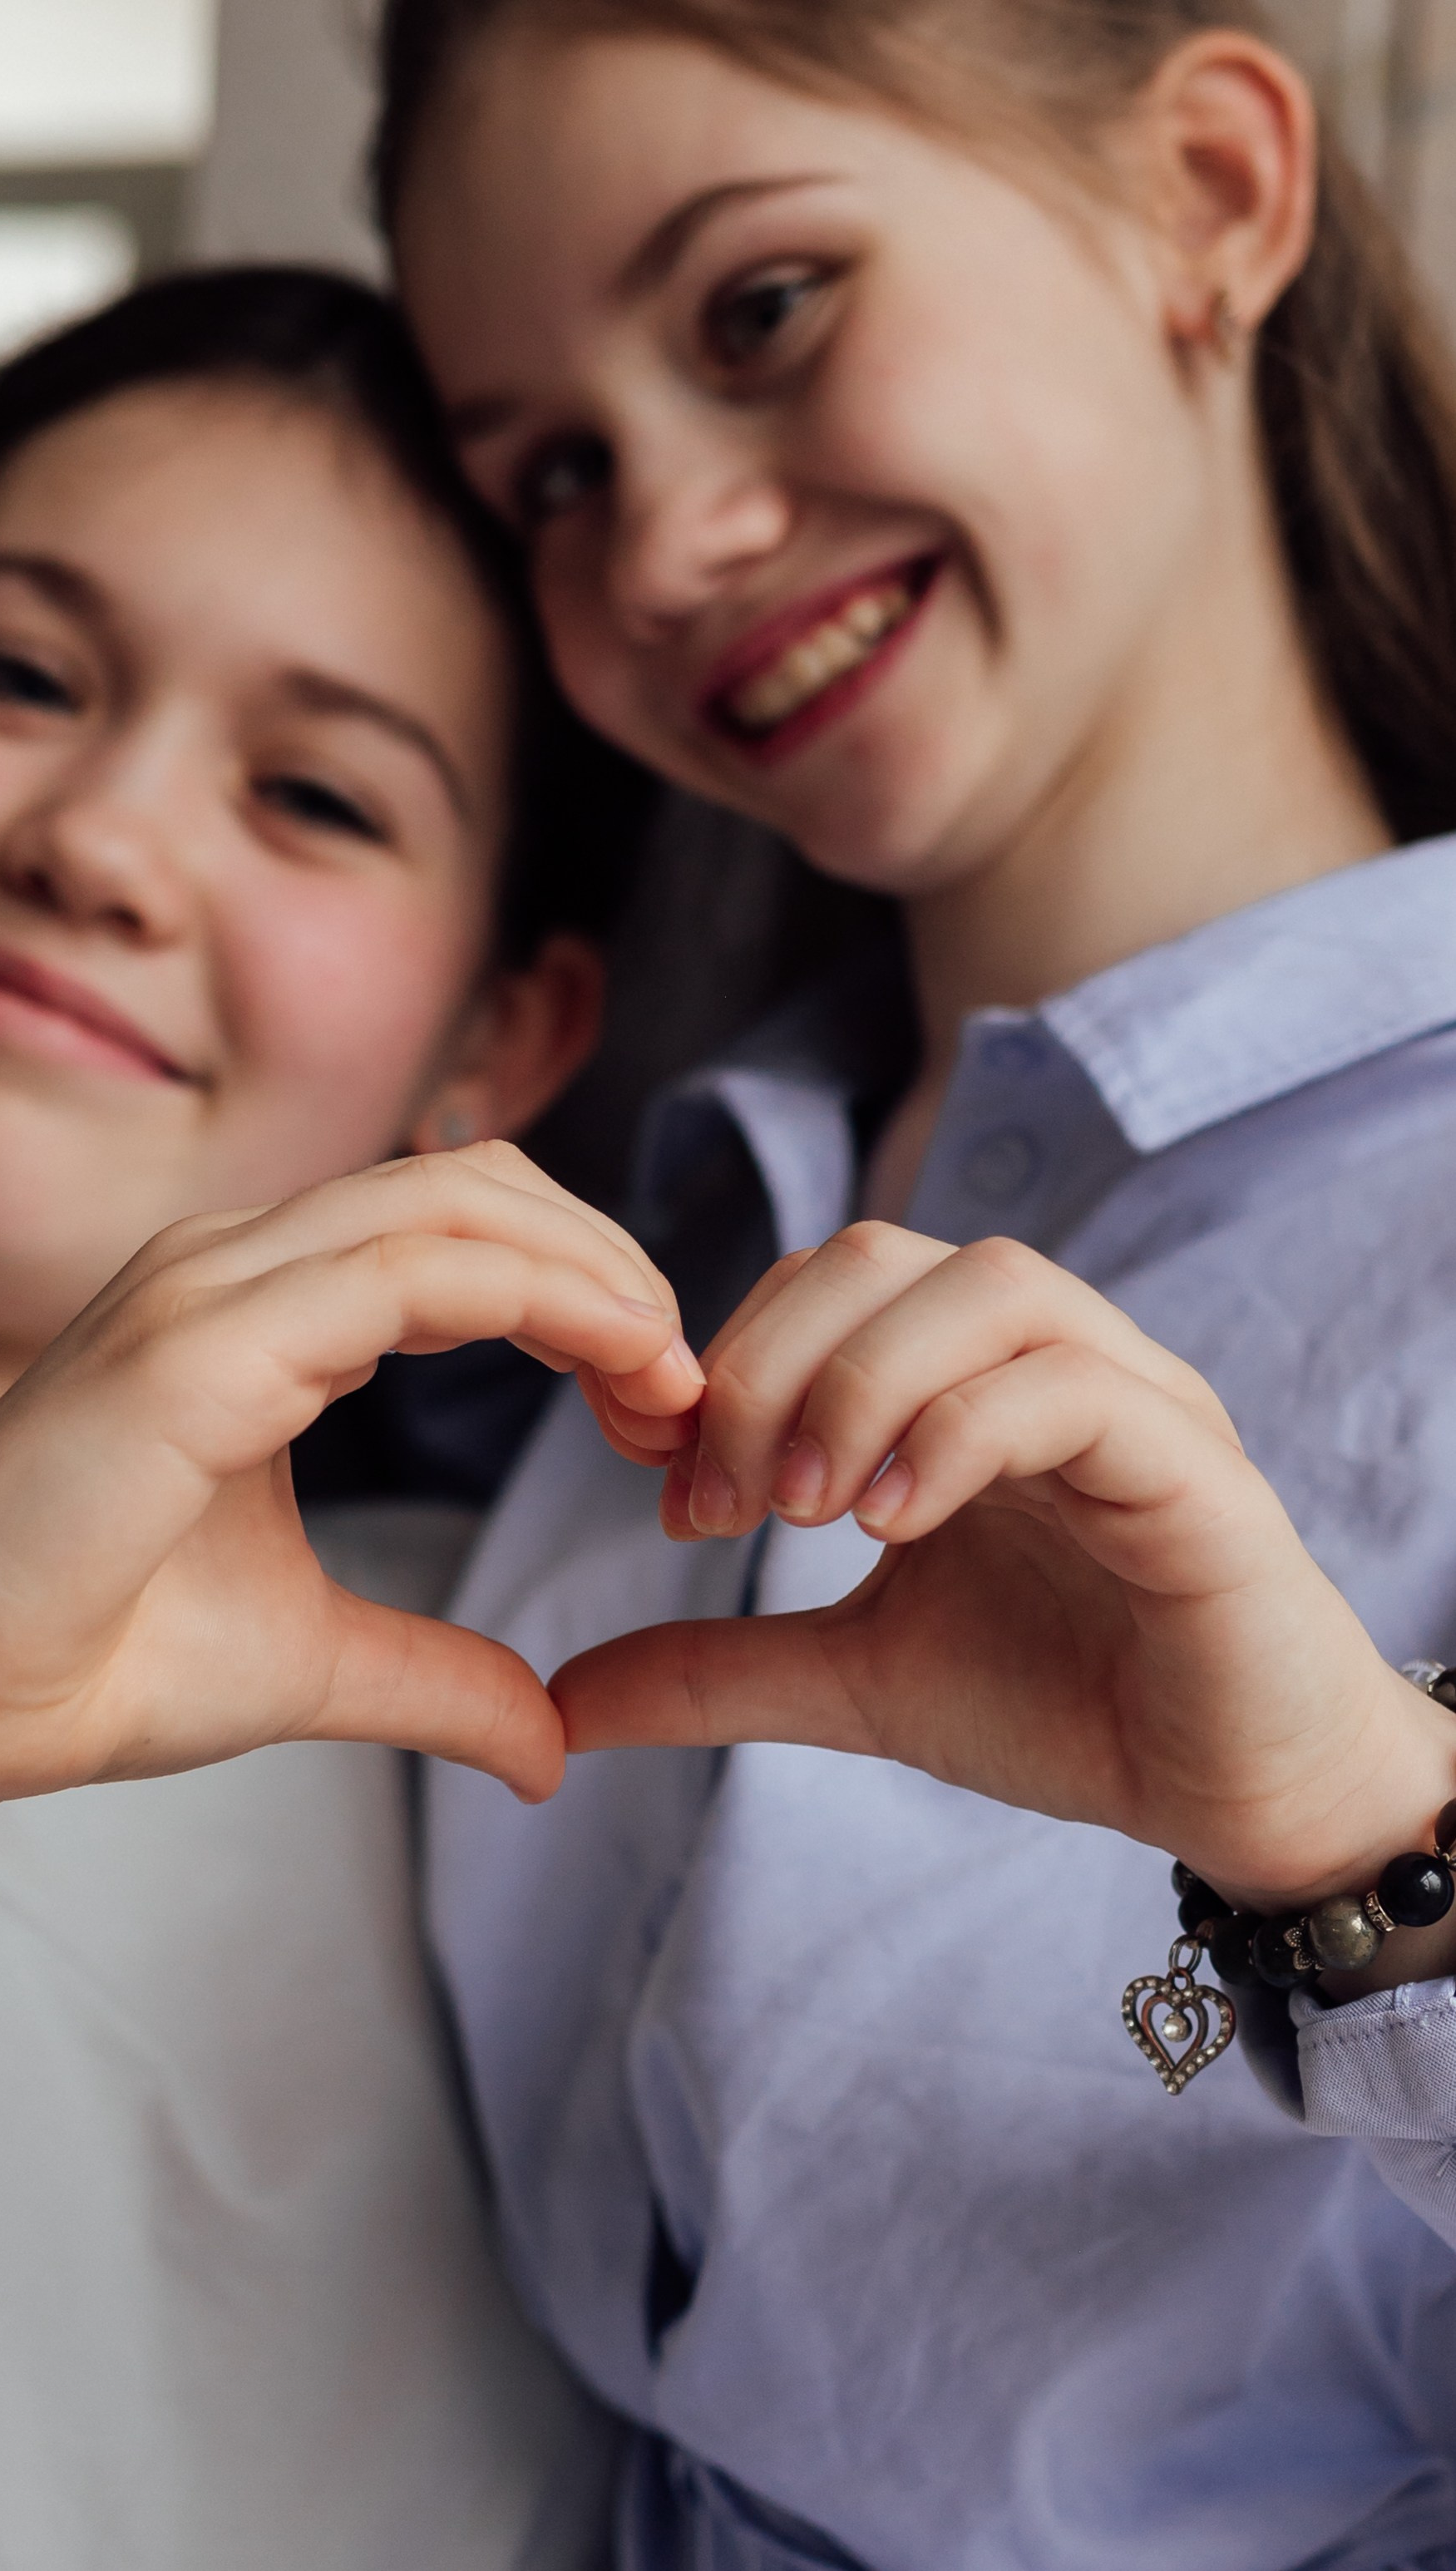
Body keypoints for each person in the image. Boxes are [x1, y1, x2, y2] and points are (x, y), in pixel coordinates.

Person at [370, 2, 1456, 2562]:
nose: (655, 551)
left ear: (1209, 186)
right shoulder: (614, 1252)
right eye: (548, 470)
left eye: (759, 308)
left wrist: (1362, 1852)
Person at [0, 260, 711, 2570]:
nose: (102, 840)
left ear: (502, 1043)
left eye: (312, 792)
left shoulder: (576, 1702)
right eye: (12, 671)